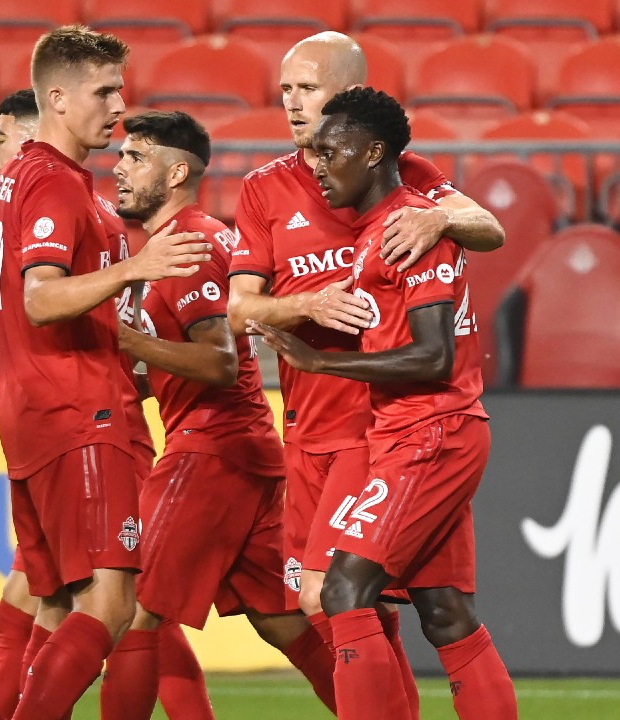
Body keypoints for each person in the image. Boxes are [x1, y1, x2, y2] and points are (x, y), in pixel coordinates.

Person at [227, 31, 506, 718]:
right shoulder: (267, 188)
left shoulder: (407, 187)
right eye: (285, 89)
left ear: (348, 94)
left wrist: (437, 215)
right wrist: (307, 306)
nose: (292, 104)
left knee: (337, 594)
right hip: (323, 424)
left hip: (392, 428)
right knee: (438, 609)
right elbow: (237, 310)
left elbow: (488, 230)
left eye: (308, 88)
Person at [0, 89, 214, 720]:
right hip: (77, 415)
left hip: (94, 420)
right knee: (105, 603)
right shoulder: (58, 197)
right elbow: (47, 305)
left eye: (2, 136)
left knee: (85, 601)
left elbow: (66, 310)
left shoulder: (64, 200)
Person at [99, 110, 339, 719]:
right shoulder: (172, 244)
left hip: (211, 448)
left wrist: (124, 343)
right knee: (280, 619)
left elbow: (219, 361)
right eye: (120, 155)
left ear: (177, 171)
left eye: (135, 156)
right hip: (246, 451)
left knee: (130, 607)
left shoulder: (190, 244)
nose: (118, 167)